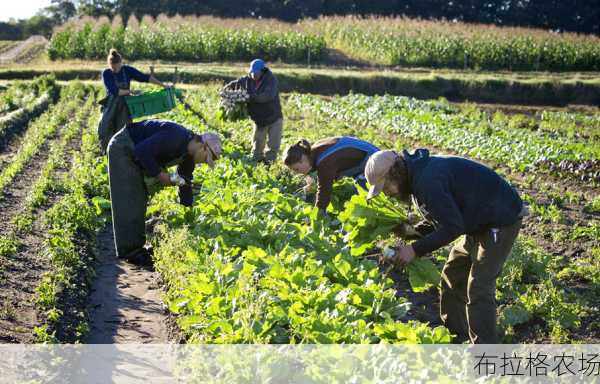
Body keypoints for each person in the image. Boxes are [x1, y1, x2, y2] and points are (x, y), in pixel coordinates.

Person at [365, 149, 528, 344]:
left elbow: (453, 228)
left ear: (395, 173)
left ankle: (485, 354)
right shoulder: (416, 176)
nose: (387, 193)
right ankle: (455, 336)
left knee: (479, 287)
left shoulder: (427, 181)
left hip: (499, 220)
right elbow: (443, 216)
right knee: (452, 274)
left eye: (385, 187)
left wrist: (414, 250)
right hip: (476, 222)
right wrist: (412, 233)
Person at [107, 119, 221, 265]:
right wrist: (161, 176)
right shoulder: (176, 136)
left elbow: (184, 179)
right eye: (205, 159)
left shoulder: (189, 156)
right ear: (203, 147)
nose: (203, 163)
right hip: (123, 147)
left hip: (135, 152)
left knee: (140, 199)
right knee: (130, 198)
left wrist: (189, 211)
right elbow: (141, 151)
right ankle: (130, 251)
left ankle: (136, 246)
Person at [98, 49, 169, 152]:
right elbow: (114, 91)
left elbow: (145, 77)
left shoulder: (127, 70)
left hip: (125, 105)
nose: (116, 69)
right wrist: (130, 91)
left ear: (120, 63)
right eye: (113, 67)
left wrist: (163, 85)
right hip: (111, 104)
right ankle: (106, 151)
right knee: (105, 129)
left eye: (117, 66)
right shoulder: (106, 73)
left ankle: (122, 152)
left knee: (124, 130)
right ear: (110, 64)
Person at [283, 137, 379, 213]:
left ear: (302, 160)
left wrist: (318, 213)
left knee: (367, 200)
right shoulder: (314, 150)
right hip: (365, 156)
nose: (297, 172)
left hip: (373, 160)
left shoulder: (324, 162)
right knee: (359, 193)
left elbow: (324, 190)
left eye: (297, 169)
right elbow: (337, 163)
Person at [223, 59, 283, 163]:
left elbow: (267, 96)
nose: (253, 75)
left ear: (262, 71)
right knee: (257, 146)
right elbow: (238, 82)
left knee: (273, 146)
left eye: (256, 73)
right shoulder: (248, 80)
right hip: (259, 120)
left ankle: (269, 165)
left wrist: (251, 97)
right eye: (252, 73)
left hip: (274, 117)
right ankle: (256, 163)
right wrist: (229, 87)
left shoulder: (271, 80)